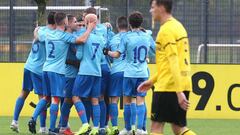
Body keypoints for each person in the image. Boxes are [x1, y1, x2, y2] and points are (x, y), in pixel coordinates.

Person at [28, 12, 96, 134]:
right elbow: (82, 40)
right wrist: (89, 28)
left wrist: (36, 29)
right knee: (55, 99)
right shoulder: (64, 36)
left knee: (46, 97)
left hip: (46, 69)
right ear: (65, 22)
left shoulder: (48, 33)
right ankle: (52, 129)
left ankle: (33, 118)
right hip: (57, 72)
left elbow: (37, 35)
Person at [137, 0, 196, 135]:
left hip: (169, 86)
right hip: (182, 83)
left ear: (161, 8)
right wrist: (152, 81)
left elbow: (173, 60)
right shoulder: (178, 26)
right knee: (178, 128)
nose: (151, 11)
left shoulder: (166, 30)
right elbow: (171, 63)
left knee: (156, 127)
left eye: (153, 7)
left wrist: (178, 91)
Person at [103, 11, 150, 135]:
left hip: (129, 73)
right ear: (141, 23)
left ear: (130, 24)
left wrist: (107, 52)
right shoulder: (147, 36)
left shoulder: (126, 37)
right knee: (140, 101)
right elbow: (153, 51)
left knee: (127, 101)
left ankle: (128, 128)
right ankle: (140, 129)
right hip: (143, 73)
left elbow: (117, 54)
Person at [10, 11, 56, 134]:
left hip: (28, 66)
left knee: (23, 93)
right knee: (43, 97)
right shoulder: (51, 34)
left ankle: (14, 121)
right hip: (38, 70)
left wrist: (36, 30)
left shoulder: (39, 30)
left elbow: (37, 33)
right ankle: (42, 127)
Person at [72, 13, 105, 135]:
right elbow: (101, 58)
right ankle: (96, 127)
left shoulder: (83, 36)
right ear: (96, 23)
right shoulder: (101, 39)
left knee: (75, 96)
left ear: (86, 23)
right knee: (95, 100)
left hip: (85, 71)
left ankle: (85, 124)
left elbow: (79, 56)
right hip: (97, 72)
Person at [107, 16, 128, 135]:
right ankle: (129, 127)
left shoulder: (113, 39)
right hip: (129, 72)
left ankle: (115, 127)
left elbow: (110, 56)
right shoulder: (131, 37)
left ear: (117, 26)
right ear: (128, 26)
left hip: (115, 71)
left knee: (113, 100)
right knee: (129, 100)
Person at [59, 14, 79, 135]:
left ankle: (63, 125)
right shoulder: (69, 38)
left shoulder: (71, 36)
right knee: (68, 100)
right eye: (75, 22)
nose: (77, 24)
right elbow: (75, 55)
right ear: (69, 24)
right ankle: (63, 127)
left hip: (73, 74)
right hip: (70, 74)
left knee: (69, 100)